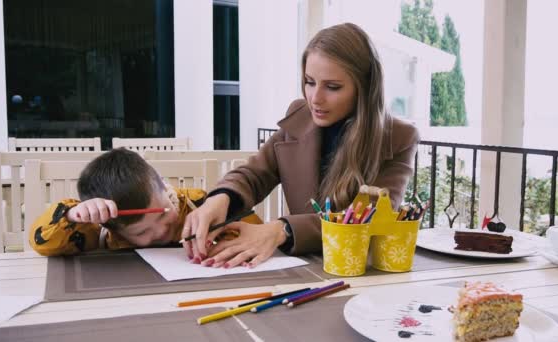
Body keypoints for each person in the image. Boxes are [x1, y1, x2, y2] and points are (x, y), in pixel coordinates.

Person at [182, 22, 420, 269]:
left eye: (333, 87)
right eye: (309, 82)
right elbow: (254, 174)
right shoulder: (300, 114)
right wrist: (220, 199)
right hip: (297, 267)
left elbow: (365, 221)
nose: (315, 98)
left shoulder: (399, 137)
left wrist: (281, 229)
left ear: (364, 89)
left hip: (359, 275)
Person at [28, 148, 260, 256]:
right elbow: (42, 243)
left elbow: (254, 232)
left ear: (165, 189)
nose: (159, 231)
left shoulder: (198, 205)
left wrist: (222, 238)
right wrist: (72, 215)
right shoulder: (100, 233)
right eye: (142, 232)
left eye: (161, 214)